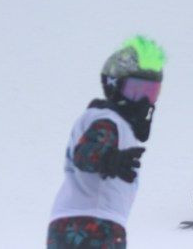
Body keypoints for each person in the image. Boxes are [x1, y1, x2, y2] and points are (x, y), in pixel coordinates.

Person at [47, 36, 165, 249]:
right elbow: (86, 153)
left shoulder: (103, 119)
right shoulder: (108, 121)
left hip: (76, 223)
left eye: (151, 92)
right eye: (136, 90)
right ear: (114, 86)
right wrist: (110, 159)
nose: (144, 101)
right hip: (93, 225)